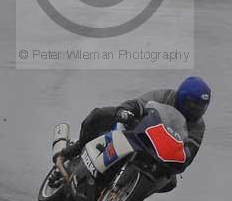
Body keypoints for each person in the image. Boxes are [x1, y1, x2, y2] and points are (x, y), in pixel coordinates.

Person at [58, 77, 211, 190]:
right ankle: (77, 148)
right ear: (182, 97)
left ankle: (129, 190)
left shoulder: (198, 126)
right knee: (99, 114)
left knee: (170, 182)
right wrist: (127, 110)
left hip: (161, 153)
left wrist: (183, 158)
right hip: (139, 130)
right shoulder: (166, 96)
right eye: (192, 104)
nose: (196, 109)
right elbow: (140, 102)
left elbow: (189, 153)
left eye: (201, 106)